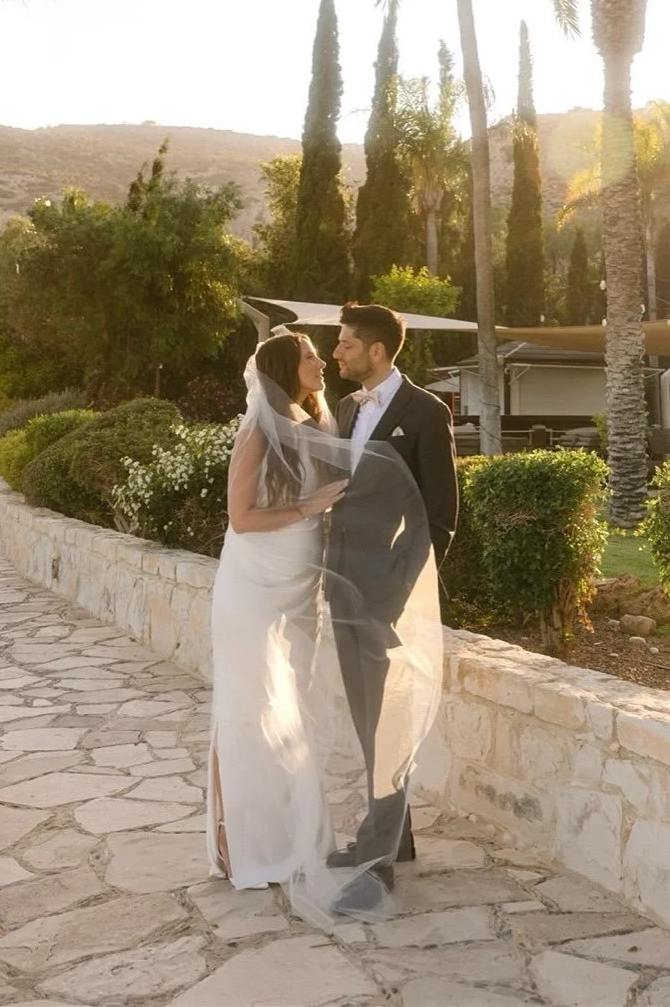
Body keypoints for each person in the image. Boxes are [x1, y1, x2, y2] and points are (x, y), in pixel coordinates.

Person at [326, 302, 458, 914]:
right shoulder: (348, 410)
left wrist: (399, 592)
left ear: (376, 349)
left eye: (347, 344)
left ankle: (378, 862)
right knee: (365, 719)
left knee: (388, 723)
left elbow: (440, 516)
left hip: (387, 595)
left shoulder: (427, 414)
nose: (337, 353)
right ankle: (393, 837)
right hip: (341, 585)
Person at [207, 332, 346, 895]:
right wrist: (308, 507)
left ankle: (291, 833)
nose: (321, 362)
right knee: (245, 706)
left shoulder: (312, 423)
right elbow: (241, 517)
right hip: (254, 585)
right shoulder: (258, 429)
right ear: (286, 368)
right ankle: (233, 837)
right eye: (311, 355)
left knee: (293, 708)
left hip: (299, 584)